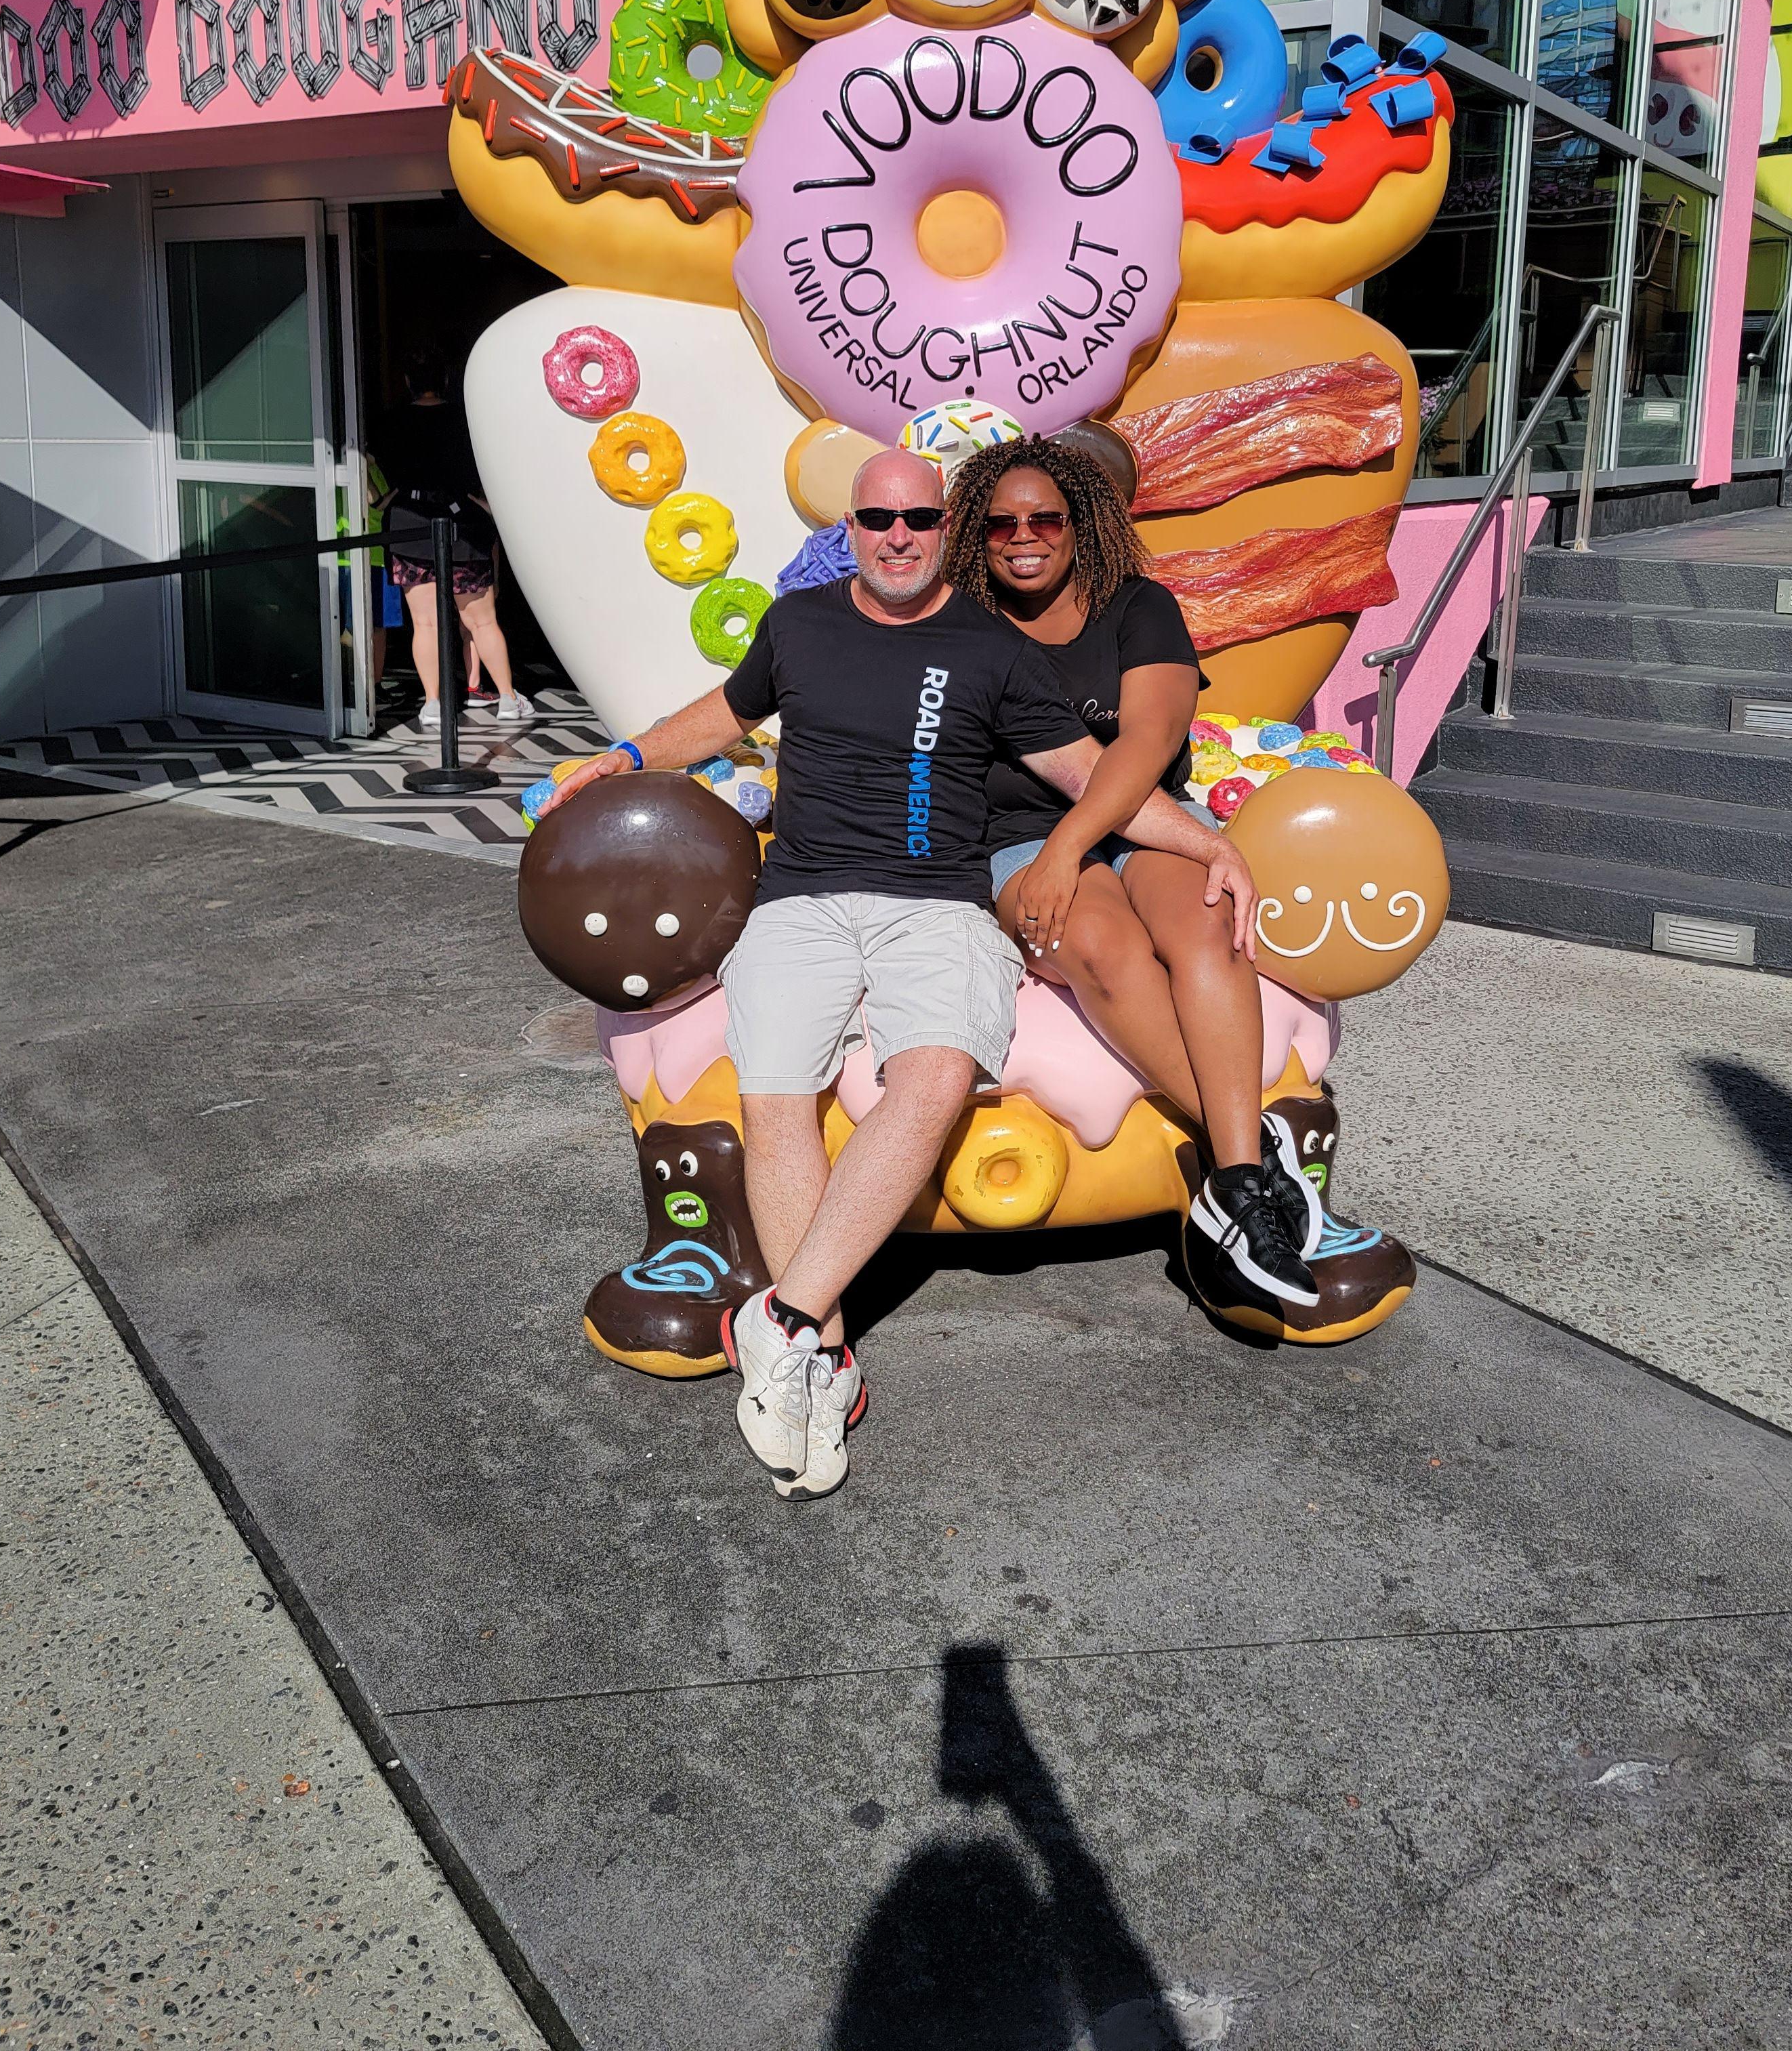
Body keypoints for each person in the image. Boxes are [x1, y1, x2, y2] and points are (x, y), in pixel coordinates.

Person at [546, 448, 1254, 1502]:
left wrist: (1207, 843)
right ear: (853, 527)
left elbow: (1087, 775)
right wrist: (630, 755)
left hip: (938, 905)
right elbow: (725, 715)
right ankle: (821, 1353)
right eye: (878, 518)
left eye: (919, 519)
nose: (898, 537)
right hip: (803, 900)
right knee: (776, 1095)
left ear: (942, 528)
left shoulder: (989, 644)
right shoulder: (799, 624)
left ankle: (781, 1320)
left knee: (932, 1078)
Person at [940, 436, 1327, 1309]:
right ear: (976, 534)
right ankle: (1251, 1163)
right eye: (1000, 523)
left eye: (1046, 518)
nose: (1023, 536)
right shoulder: (962, 625)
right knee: (1099, 944)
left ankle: (1232, 1182)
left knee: (1205, 925)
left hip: (1145, 815)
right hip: (1014, 835)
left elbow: (1146, 743)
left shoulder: (1137, 605)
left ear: (1082, 522)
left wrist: (1069, 848)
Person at [381, 355, 531, 728]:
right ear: (446, 381)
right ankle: (508, 699)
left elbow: (382, 470)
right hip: (462, 522)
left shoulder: (392, 422)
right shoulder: (463, 420)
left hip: (409, 527)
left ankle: (433, 703)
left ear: (408, 381)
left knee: (425, 624)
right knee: (482, 622)